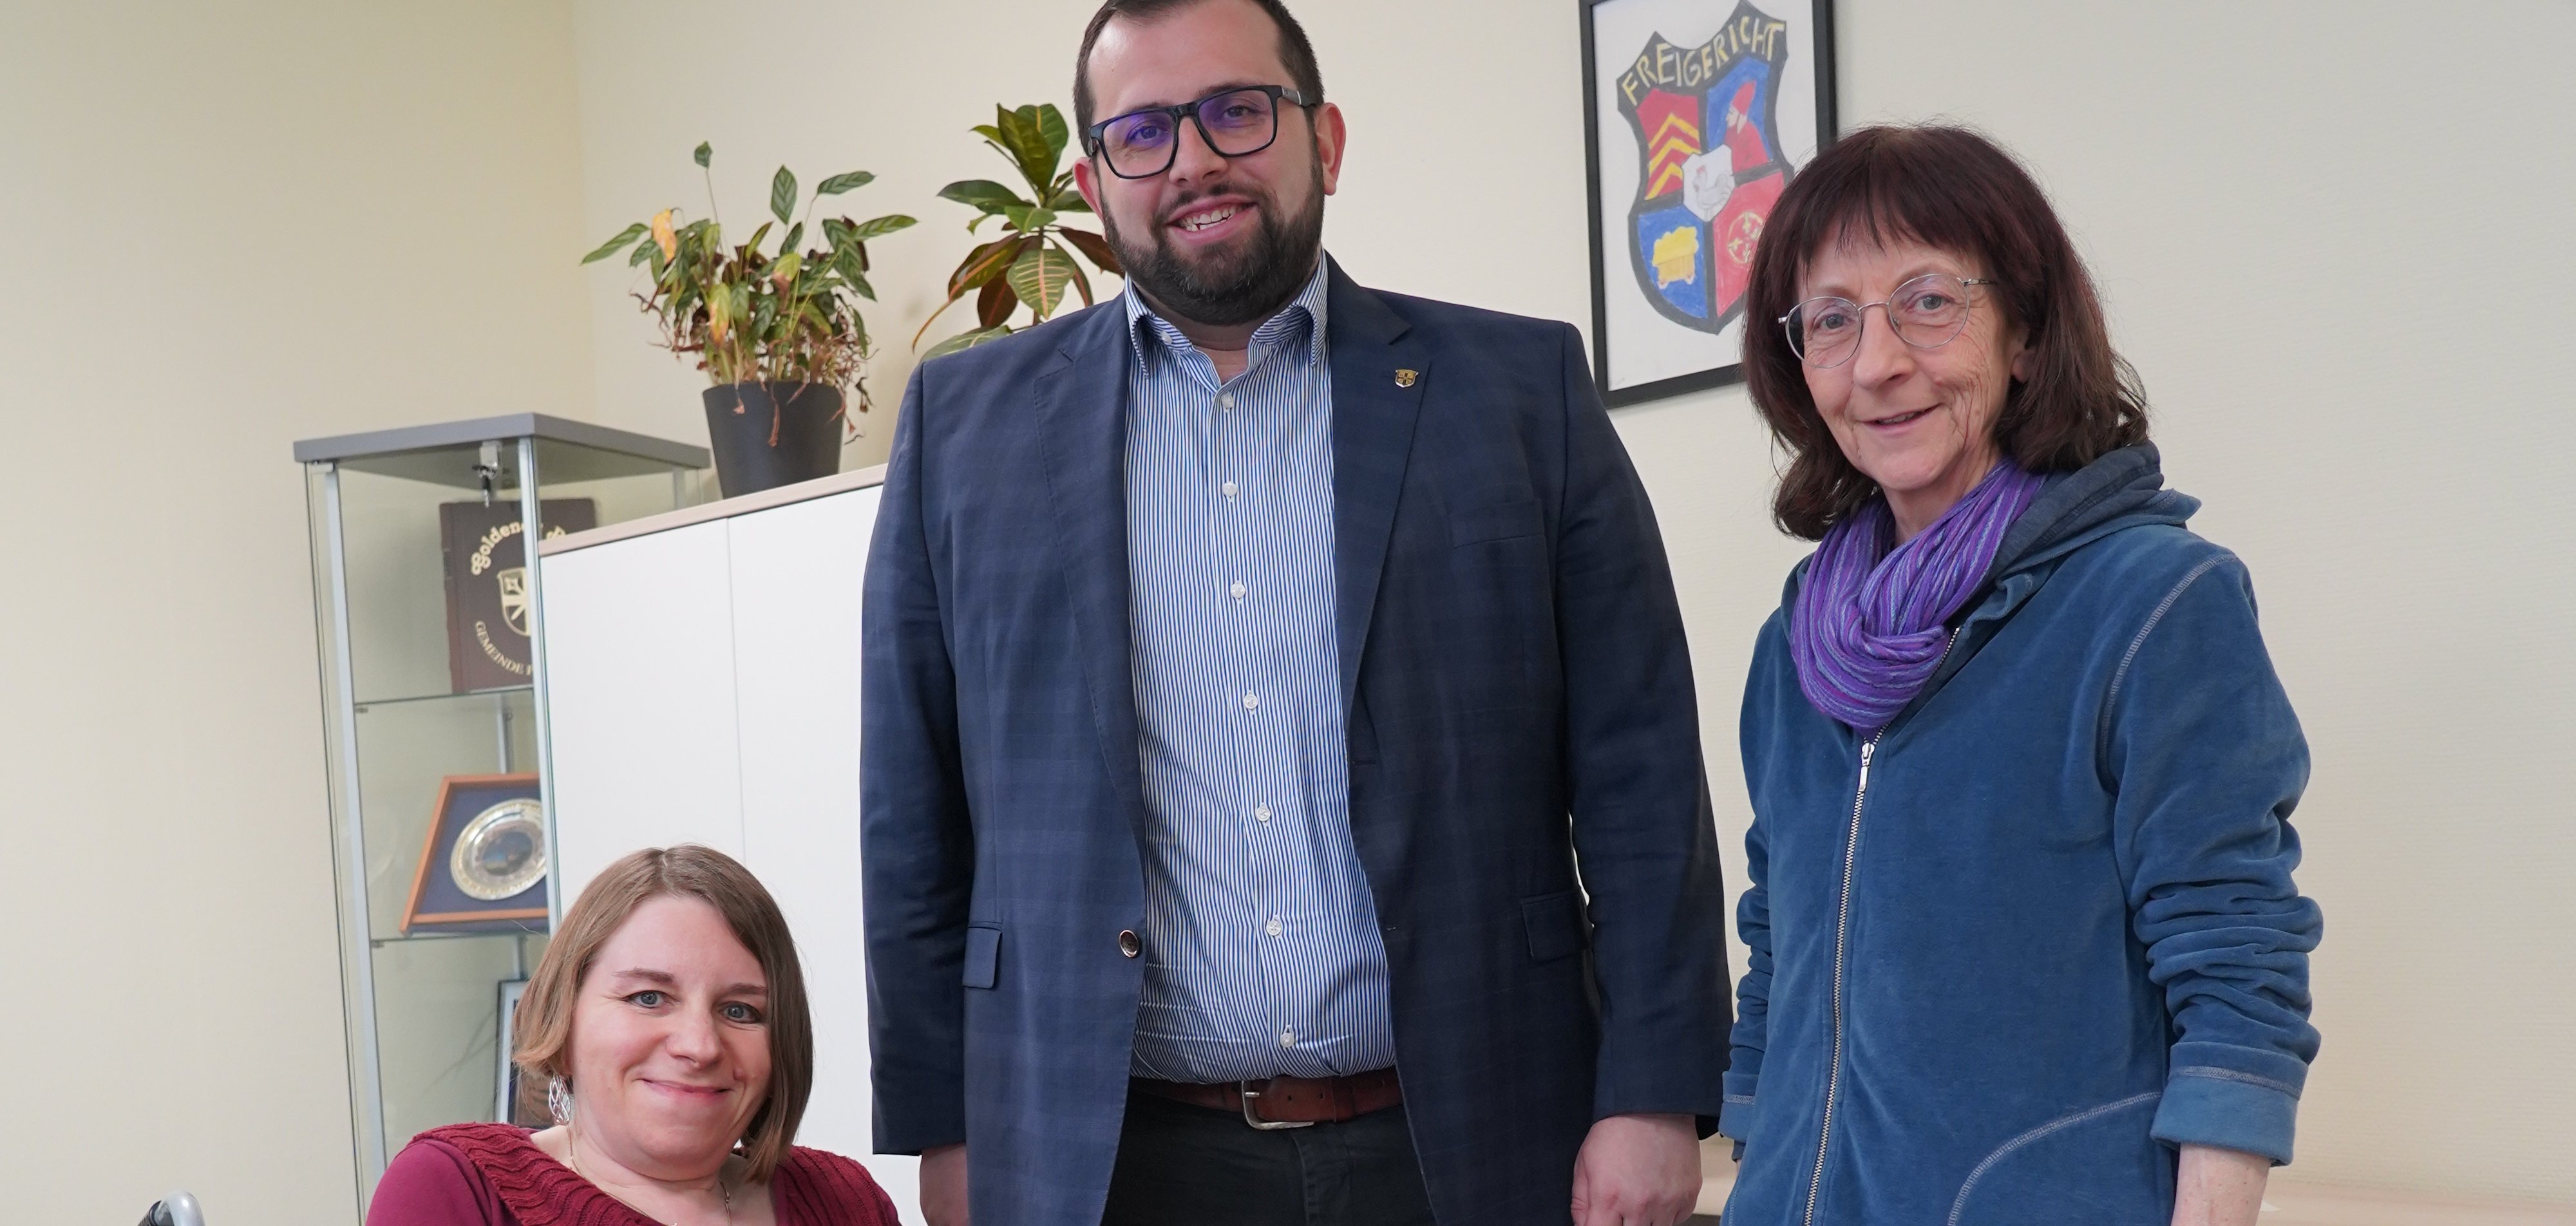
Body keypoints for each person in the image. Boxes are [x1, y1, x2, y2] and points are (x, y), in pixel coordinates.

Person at [859, 1, 1732, 1223]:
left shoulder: (1521, 390)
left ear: (1323, 138)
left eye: (1235, 111)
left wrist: (1654, 1086)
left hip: (1471, 1125)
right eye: (1143, 132)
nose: (1193, 161)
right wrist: (941, 1126)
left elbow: (1641, 764)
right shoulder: (963, 426)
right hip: (1101, 1151)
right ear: (1094, 179)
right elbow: (911, 809)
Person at [1719, 124, 2323, 1226]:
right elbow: (1778, 943)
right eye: (1834, 319)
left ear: (2029, 334)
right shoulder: (1794, 646)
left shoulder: (2152, 602)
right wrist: (1757, 1143)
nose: (1879, 361)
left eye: (1929, 301)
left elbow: (2238, 961)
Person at [367, 845, 898, 1226]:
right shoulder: (458, 1187)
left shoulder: (845, 1201)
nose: (700, 1045)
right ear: (564, 1015)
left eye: (739, 1010)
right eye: (649, 998)